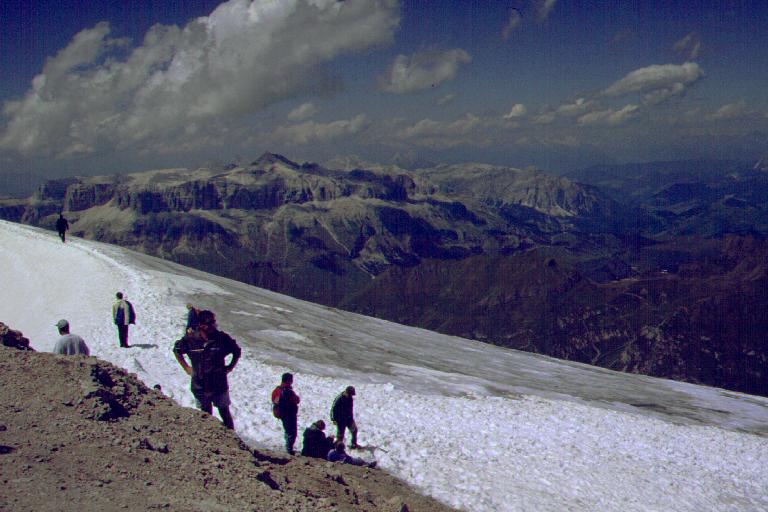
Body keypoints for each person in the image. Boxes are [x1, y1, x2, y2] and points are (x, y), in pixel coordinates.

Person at [173, 310, 241, 430]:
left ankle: (231, 436)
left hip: (219, 384)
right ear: (200, 325)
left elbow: (236, 351)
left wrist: (230, 367)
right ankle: (209, 435)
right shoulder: (190, 340)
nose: (212, 326)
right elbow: (177, 350)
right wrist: (187, 368)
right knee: (205, 415)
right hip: (200, 386)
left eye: (213, 322)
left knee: (224, 412)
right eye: (208, 323)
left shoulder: (221, 338)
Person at [273, 372, 301, 454]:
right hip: (290, 415)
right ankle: (289, 449)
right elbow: (297, 400)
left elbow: (274, 400)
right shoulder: (288, 391)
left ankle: (288, 447)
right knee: (292, 432)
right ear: (289, 381)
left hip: (282, 415)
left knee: (287, 430)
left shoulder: (277, 390)